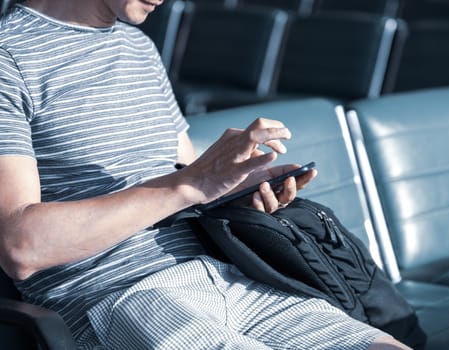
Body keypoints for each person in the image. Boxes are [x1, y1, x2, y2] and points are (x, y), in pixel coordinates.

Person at [0, 1, 411, 349]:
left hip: (231, 275)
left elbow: (186, 179)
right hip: (123, 297)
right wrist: (193, 184)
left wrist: (240, 188)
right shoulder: (8, 56)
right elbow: (21, 247)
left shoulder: (137, 45)